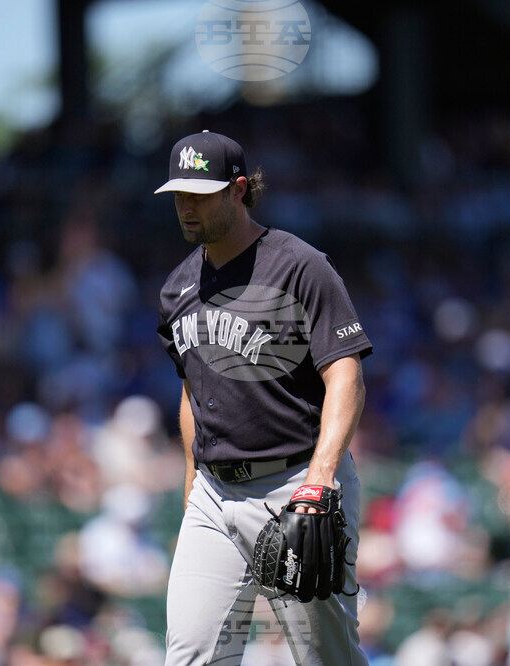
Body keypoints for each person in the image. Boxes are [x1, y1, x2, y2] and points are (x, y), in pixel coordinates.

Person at [155, 130, 372, 665]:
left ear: (238, 189)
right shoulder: (177, 288)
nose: (186, 207)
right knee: (191, 656)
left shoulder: (299, 266)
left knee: (327, 659)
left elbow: (346, 376)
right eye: (179, 195)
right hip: (213, 494)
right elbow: (194, 392)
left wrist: (320, 481)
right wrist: (191, 493)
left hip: (295, 483)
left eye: (199, 195)